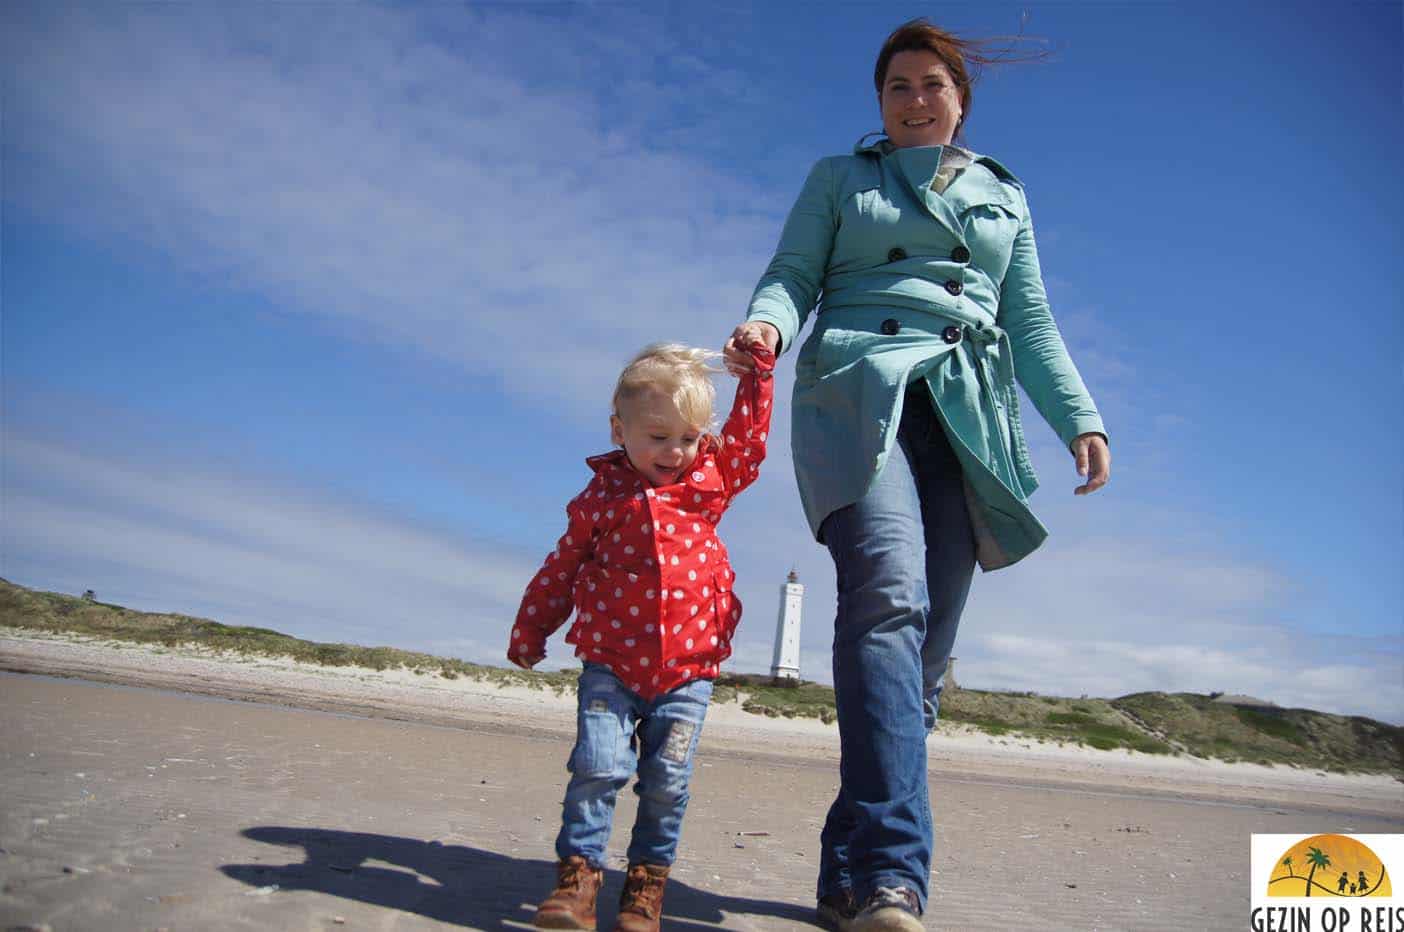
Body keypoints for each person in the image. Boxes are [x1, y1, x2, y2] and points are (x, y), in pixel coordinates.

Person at [724, 19, 1110, 932]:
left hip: (967, 410)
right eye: (895, 86)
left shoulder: (1003, 197)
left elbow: (1031, 321)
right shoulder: (839, 180)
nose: (912, 98)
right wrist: (766, 326)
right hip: (861, 391)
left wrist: (1078, 416)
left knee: (924, 666)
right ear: (880, 103)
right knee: (887, 601)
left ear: (960, 98)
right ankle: (896, 876)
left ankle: (847, 860)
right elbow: (790, 273)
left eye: (930, 83)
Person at [509, 341, 774, 931]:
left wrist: (758, 376)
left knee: (666, 782)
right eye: (658, 437)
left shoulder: (709, 483)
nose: (675, 451)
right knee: (598, 767)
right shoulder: (600, 499)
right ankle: (577, 880)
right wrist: (533, 625)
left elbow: (749, 440)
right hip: (610, 661)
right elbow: (563, 566)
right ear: (619, 430)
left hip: (689, 669)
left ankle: (646, 887)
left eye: (688, 437)